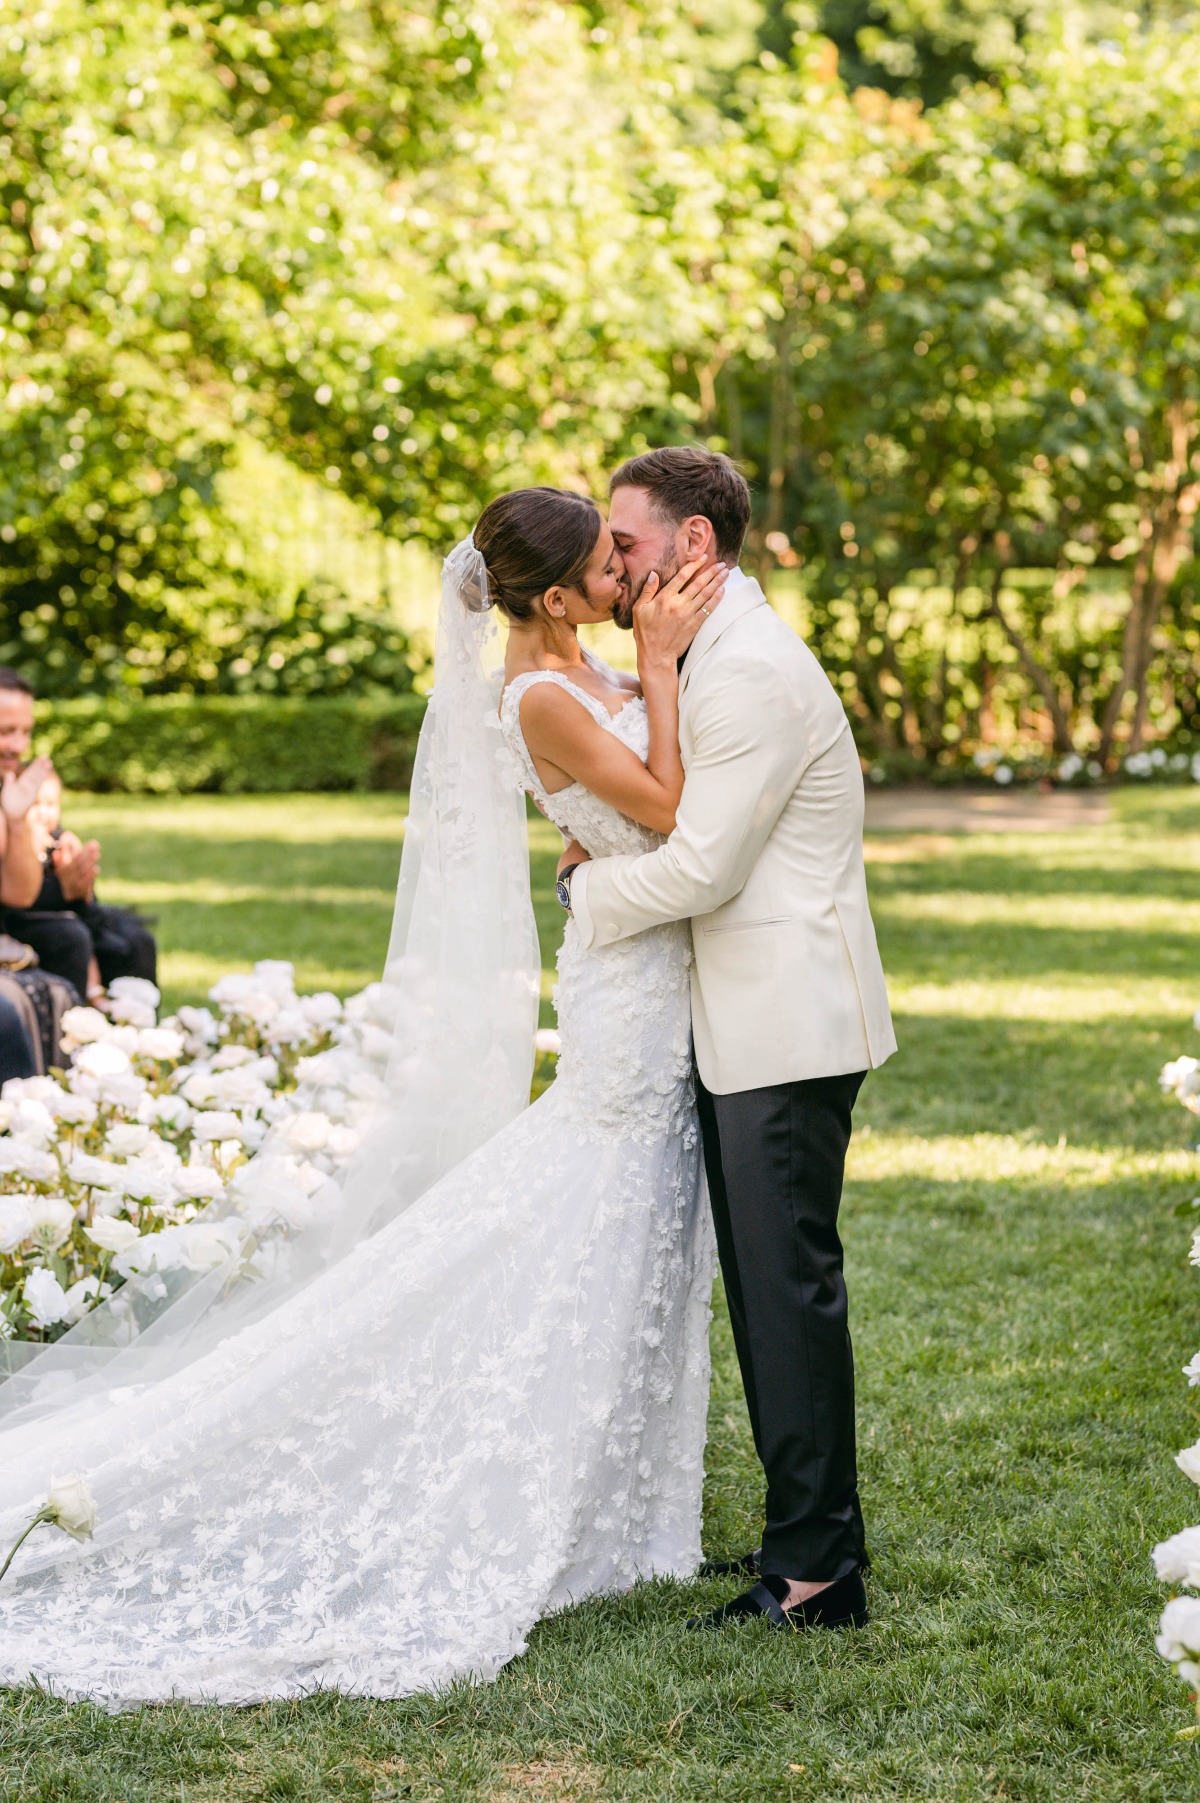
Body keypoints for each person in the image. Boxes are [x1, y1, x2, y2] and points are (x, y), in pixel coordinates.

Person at [0, 490, 727, 1706]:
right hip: (630, 988)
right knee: (595, 1201)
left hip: (650, 965)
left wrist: (642, 677)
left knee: (627, 1215)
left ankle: (618, 1490)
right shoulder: (541, 692)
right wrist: (658, 667)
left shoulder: (584, 661)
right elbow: (668, 805)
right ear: (553, 597)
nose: (627, 573)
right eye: (608, 563)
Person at [558, 447, 896, 1634]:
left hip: (787, 1022)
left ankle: (816, 1579)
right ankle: (806, 1537)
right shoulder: (710, 650)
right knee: (764, 1292)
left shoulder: (749, 670)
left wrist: (584, 896)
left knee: (787, 1292)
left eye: (630, 543)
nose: (614, 564)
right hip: (747, 1016)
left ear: (694, 546)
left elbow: (703, 867)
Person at [0, 668, 157, 1003]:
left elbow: (23, 890)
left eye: (26, 732)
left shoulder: (17, 785)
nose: (18, 746)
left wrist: (79, 886)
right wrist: (63, 890)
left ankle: (136, 1043)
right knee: (69, 937)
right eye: (6, 731)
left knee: (135, 940)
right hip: (15, 924)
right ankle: (72, 1044)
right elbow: (14, 900)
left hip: (28, 910)